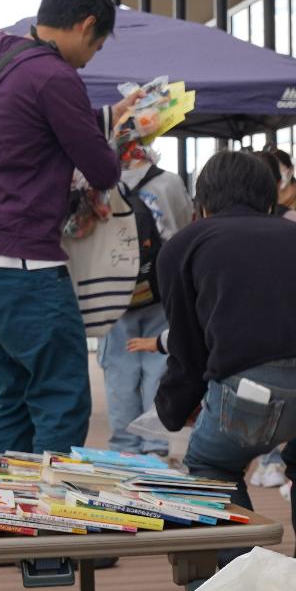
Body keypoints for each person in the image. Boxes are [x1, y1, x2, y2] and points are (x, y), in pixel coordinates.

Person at [155, 150, 296, 572]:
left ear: (201, 204)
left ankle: (241, 575)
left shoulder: (184, 246)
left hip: (254, 383)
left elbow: (187, 348)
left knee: (211, 465)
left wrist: (173, 410)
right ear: (271, 201)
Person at [0, 0, 136, 456]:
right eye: (95, 45)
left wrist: (105, 116)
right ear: (87, 24)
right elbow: (101, 169)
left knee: (13, 393)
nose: (90, 57)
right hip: (22, 263)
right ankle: (51, 517)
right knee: (61, 394)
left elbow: (25, 127)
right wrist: (119, 139)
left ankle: (7, 516)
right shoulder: (54, 76)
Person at [99, 143, 194, 455]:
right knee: (158, 365)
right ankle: (155, 445)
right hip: (160, 288)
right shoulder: (168, 182)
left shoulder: (97, 179)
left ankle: (124, 447)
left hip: (112, 291)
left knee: (119, 369)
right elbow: (183, 229)